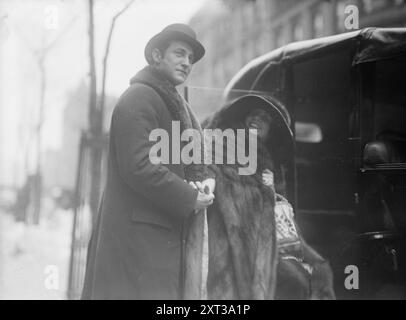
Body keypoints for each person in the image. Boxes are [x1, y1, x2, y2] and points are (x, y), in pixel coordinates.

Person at [81, 23, 215, 300]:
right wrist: (189, 196)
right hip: (136, 244)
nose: (187, 62)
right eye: (179, 53)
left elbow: (194, 159)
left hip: (156, 242)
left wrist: (205, 180)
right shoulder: (140, 97)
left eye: (190, 58)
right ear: (156, 56)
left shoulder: (174, 105)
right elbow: (138, 165)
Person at [205, 95, 335, 299]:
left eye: (265, 118)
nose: (256, 119)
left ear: (271, 132)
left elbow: (282, 222)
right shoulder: (223, 145)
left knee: (306, 278)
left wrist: (315, 264)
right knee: (293, 281)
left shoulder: (268, 165)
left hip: (262, 247)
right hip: (229, 249)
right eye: (253, 114)